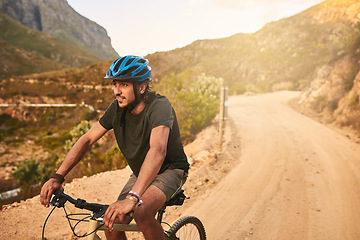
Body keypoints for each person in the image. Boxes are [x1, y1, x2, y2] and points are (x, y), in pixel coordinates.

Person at [40, 55, 189, 240]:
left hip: (171, 170)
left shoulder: (160, 106)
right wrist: (57, 176)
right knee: (111, 223)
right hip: (142, 171)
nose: (117, 91)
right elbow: (87, 140)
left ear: (141, 87)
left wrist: (132, 198)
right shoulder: (117, 109)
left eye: (124, 85)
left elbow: (158, 150)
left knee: (141, 212)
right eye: (115, 84)